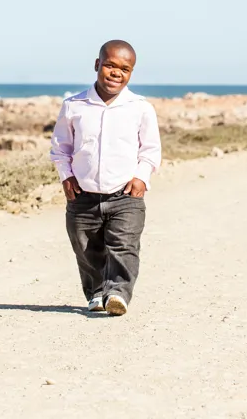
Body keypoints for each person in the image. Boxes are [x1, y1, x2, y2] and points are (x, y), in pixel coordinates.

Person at [49, 40, 162, 316]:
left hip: (125, 196)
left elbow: (150, 149)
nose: (116, 73)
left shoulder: (140, 107)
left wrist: (141, 177)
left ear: (131, 73)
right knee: (86, 248)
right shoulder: (74, 106)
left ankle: (118, 294)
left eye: (125, 69)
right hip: (82, 196)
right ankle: (97, 293)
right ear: (98, 65)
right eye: (110, 65)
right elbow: (60, 147)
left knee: (124, 246)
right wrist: (67, 176)